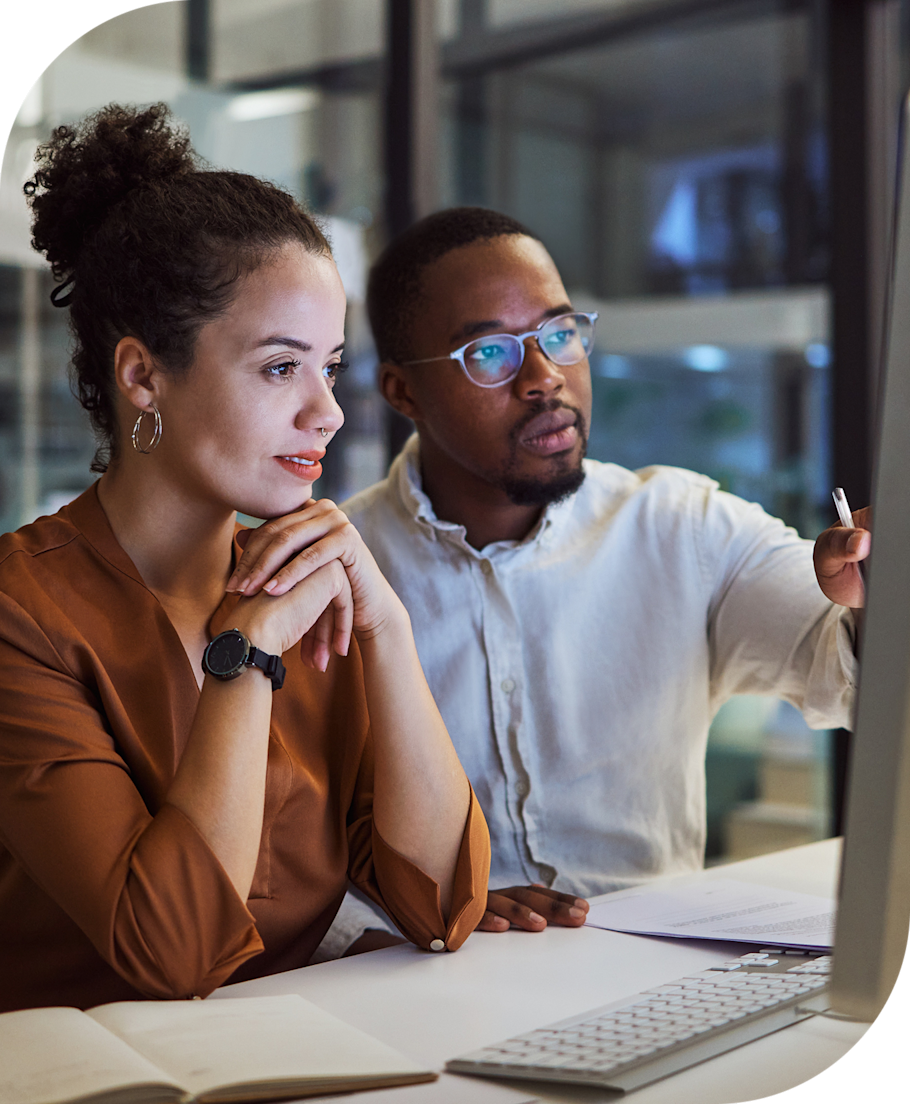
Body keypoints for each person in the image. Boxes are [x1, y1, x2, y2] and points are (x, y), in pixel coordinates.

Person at [0, 107, 490, 1013]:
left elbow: (440, 905)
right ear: (142, 376)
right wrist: (245, 658)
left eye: (331, 368)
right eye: (278, 369)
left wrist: (388, 628)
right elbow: (175, 954)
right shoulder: (22, 612)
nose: (328, 413)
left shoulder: (314, 584)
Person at [318, 206, 868, 957]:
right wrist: (405, 919)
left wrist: (871, 600)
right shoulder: (335, 576)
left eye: (559, 333)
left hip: (656, 972)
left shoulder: (680, 525)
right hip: (427, 975)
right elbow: (285, 857)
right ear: (401, 393)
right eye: (489, 354)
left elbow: (843, 677)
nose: (546, 377)